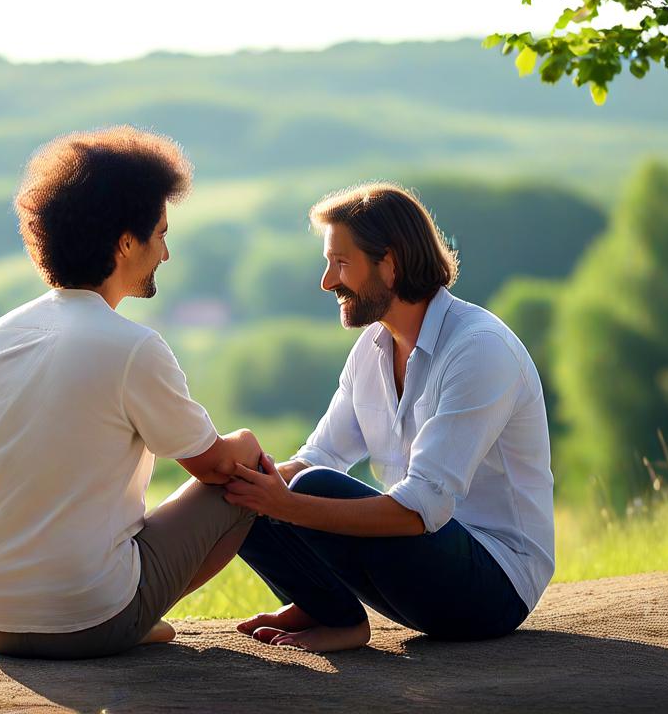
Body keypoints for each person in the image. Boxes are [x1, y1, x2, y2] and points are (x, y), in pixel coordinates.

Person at [0, 126, 263, 659]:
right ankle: (130, 619)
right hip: (86, 618)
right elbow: (215, 469)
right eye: (161, 234)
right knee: (249, 473)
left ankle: (127, 615)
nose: (166, 252)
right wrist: (247, 441)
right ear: (126, 242)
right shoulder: (132, 347)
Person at [224, 182, 555, 652]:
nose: (327, 281)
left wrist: (286, 505)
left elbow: (421, 509)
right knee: (252, 488)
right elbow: (323, 452)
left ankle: (331, 610)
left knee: (309, 489)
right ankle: (332, 615)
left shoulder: (479, 349)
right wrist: (240, 484)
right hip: (419, 575)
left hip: (493, 588)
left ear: (391, 263)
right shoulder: (372, 350)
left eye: (340, 263)